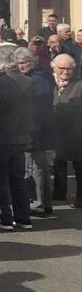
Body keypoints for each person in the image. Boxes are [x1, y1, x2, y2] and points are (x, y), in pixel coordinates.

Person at [0, 46, 35, 231]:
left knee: (0, 178)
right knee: (18, 178)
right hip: (21, 136)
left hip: (0, 137)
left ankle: (6, 216)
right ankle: (24, 217)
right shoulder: (29, 81)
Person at [19, 47, 55, 217]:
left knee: (35, 167)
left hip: (35, 129)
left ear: (32, 62)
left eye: (23, 63)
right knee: (39, 167)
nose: (20, 66)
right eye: (18, 63)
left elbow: (39, 107)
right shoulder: (40, 76)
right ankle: (44, 203)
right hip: (39, 128)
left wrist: (31, 127)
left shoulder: (37, 79)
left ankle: (38, 203)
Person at [51, 54, 82, 207]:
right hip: (56, 131)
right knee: (58, 162)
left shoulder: (79, 84)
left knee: (79, 166)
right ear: (54, 67)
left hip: (77, 132)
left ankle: (80, 198)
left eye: (69, 69)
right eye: (62, 68)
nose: (65, 71)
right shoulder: (49, 83)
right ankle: (58, 193)